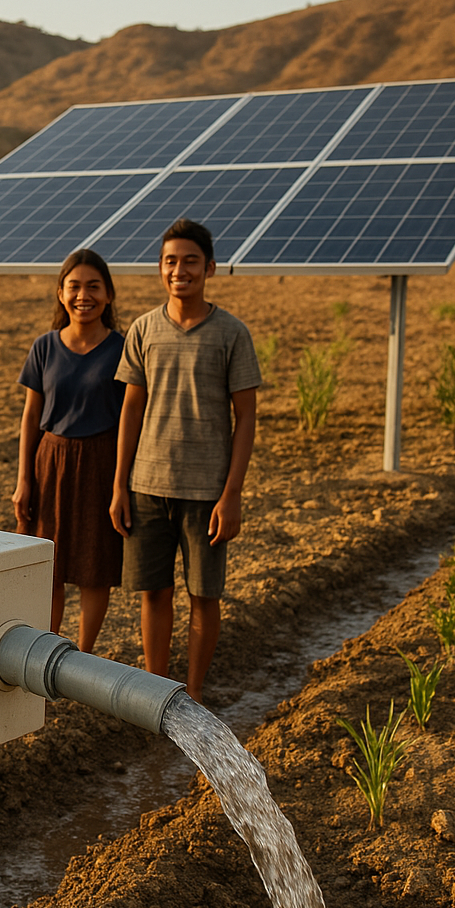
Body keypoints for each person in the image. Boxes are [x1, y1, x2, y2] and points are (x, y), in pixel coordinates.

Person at [110, 218, 260, 703]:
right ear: (160, 269)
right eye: (170, 261)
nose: (180, 270)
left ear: (210, 268)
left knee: (204, 595)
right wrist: (120, 486)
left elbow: (246, 417)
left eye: (190, 261)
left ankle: (192, 694)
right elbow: (131, 408)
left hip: (206, 494)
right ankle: (159, 694)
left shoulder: (232, 333)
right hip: (148, 486)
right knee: (153, 592)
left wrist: (231, 493)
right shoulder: (143, 329)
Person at [12, 249, 125, 653]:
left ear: (109, 295)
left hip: (102, 464)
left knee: (95, 567)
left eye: (94, 286)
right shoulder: (44, 347)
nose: (84, 295)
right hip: (51, 463)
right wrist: (24, 479)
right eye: (74, 286)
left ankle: (85, 655)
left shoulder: (122, 349)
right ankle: (50, 654)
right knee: (51, 567)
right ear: (61, 294)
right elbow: (30, 417)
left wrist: (121, 485)